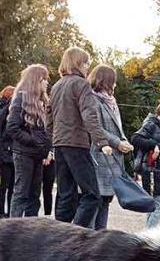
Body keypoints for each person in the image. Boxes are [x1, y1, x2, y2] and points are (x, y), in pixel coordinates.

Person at [47, 47, 113, 228]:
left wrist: (50, 145)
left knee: (65, 194)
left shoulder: (56, 86)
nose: (87, 68)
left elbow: (49, 119)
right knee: (92, 195)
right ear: (78, 63)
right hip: (76, 144)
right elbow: (89, 115)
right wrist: (102, 142)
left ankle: (58, 233)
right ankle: (77, 233)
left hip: (59, 145)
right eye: (86, 64)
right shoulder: (81, 84)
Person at [88, 64, 133, 230]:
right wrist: (117, 143)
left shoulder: (112, 102)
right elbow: (96, 128)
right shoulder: (93, 100)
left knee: (105, 201)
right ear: (105, 81)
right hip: (99, 156)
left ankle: (100, 239)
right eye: (113, 81)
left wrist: (124, 141)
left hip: (113, 160)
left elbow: (117, 128)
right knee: (95, 202)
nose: (115, 85)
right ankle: (90, 242)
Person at [6, 64, 51, 218]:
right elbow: (12, 127)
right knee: (21, 193)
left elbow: (47, 129)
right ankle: (12, 231)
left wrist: (47, 149)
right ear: (35, 80)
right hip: (24, 153)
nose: (46, 82)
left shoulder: (43, 101)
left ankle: (30, 231)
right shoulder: (21, 98)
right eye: (44, 79)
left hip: (38, 155)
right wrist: (32, 140)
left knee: (34, 196)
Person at [131, 101, 160, 228]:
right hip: (152, 170)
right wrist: (153, 144)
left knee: (153, 206)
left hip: (159, 171)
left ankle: (147, 235)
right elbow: (135, 138)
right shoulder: (151, 124)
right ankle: (148, 234)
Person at [0, 86, 15, 218]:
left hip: (5, 150)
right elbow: (7, 132)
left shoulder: (1, 110)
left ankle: (5, 212)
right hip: (7, 151)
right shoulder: (6, 111)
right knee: (7, 184)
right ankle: (3, 212)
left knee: (8, 185)